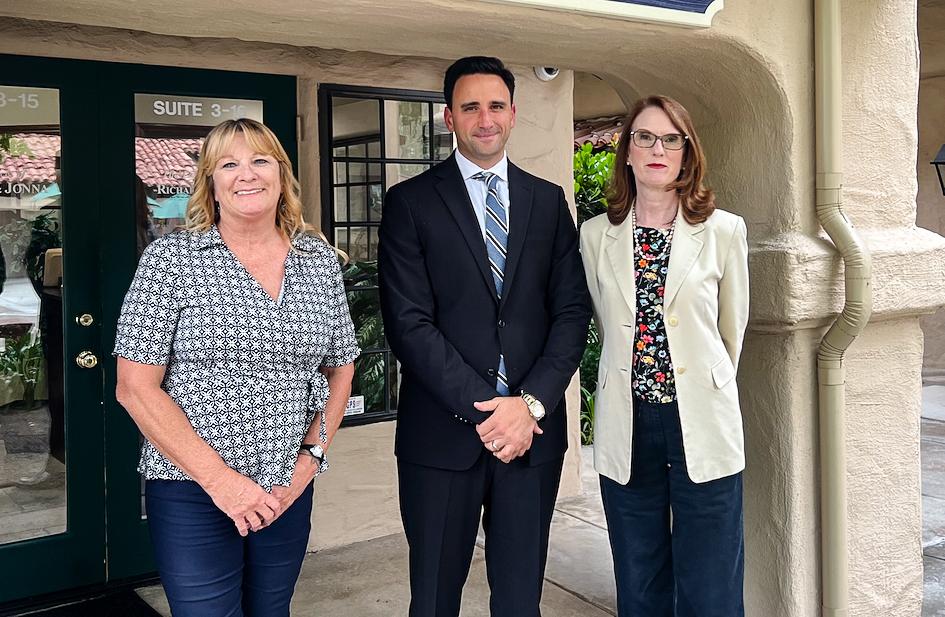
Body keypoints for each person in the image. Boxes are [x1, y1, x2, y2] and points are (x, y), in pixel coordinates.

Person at [114, 118, 359, 617]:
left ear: (281, 175)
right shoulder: (171, 260)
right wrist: (225, 484)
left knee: (272, 611)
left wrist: (311, 458)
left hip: (285, 487)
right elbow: (134, 388)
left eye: (259, 160)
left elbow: (341, 368)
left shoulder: (317, 259)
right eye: (228, 163)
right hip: (193, 491)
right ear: (210, 181)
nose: (245, 174)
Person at [378, 56, 591, 617]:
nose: (484, 118)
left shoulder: (548, 202)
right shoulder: (410, 202)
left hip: (533, 436)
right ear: (449, 117)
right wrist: (490, 413)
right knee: (433, 599)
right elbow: (408, 323)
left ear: (514, 114)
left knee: (521, 601)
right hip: (442, 441)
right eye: (470, 107)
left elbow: (571, 312)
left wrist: (528, 405)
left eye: (495, 105)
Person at [579, 95, 749, 617]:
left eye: (671, 139)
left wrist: (700, 386)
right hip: (628, 421)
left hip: (701, 417)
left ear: (687, 152)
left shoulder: (724, 231)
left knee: (712, 581)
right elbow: (607, 326)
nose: (658, 148)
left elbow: (730, 330)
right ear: (626, 150)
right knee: (639, 576)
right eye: (645, 137)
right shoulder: (594, 235)